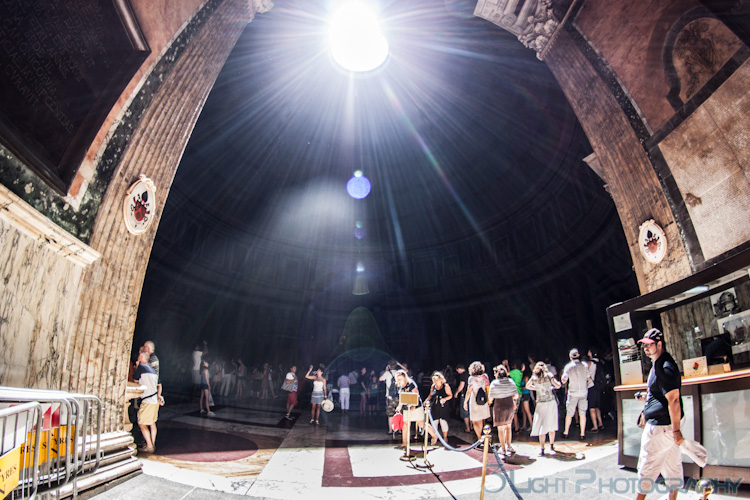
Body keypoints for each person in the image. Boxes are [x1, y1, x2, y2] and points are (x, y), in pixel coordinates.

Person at [635, 328, 684, 500]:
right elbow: (662, 395)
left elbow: (674, 400)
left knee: (647, 467)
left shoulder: (665, 367)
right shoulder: (658, 364)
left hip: (662, 427)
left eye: (650, 345)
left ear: (660, 344)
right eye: (644, 345)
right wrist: (646, 398)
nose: (646, 348)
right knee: (672, 465)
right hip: (664, 426)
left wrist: (676, 431)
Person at [526, 361, 562, 455]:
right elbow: (558, 385)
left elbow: (527, 386)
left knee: (542, 425)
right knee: (551, 423)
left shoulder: (534, 377)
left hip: (540, 403)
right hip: (550, 402)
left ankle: (542, 448)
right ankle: (551, 445)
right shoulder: (549, 375)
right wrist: (552, 387)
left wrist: (536, 388)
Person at [395, 370, 437, 447]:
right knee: (405, 424)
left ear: (404, 378)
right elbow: (402, 397)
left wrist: (413, 405)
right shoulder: (399, 386)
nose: (399, 380)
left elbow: (416, 394)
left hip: (416, 406)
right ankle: (404, 443)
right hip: (406, 407)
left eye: (400, 379)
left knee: (421, 423)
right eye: (398, 379)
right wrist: (399, 406)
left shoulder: (410, 383)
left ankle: (434, 435)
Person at [134, 351, 162, 453]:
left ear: (141, 357)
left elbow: (135, 380)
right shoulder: (153, 371)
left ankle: (149, 446)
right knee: (152, 423)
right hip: (154, 400)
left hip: (147, 401)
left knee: (141, 423)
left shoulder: (141, 367)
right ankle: (152, 444)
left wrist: (137, 366)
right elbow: (159, 385)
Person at [561, 348, 591, 440]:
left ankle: (566, 432)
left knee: (569, 413)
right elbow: (588, 378)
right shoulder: (584, 365)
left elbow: (564, 380)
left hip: (573, 392)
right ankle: (582, 434)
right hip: (583, 391)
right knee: (582, 413)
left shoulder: (568, 367)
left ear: (570, 357)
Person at [488, 364, 518, 455]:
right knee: (508, 426)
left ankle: (503, 448)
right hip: (509, 404)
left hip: (499, 406)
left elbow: (491, 398)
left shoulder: (494, 383)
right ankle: (509, 445)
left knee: (500, 428)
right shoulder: (510, 381)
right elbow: (516, 395)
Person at [463, 361, 490, 441]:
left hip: (474, 400)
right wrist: (489, 399)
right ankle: (481, 435)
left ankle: (479, 437)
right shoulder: (485, 376)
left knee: (475, 420)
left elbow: (469, 391)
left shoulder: (471, 378)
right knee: (481, 419)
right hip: (483, 400)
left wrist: (465, 402)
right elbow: (488, 388)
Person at [426, 371, 453, 444]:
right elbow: (430, 395)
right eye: (434, 380)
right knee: (434, 422)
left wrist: (445, 399)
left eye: (437, 380)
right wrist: (426, 401)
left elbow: (450, 395)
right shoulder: (433, 386)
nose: (435, 382)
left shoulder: (446, 386)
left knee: (443, 422)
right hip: (435, 406)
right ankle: (434, 437)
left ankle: (445, 437)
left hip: (443, 406)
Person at [379, 360, 402, 434]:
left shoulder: (387, 373)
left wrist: (386, 370)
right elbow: (407, 371)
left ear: (389, 366)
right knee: (399, 413)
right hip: (399, 397)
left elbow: (380, 379)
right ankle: (399, 429)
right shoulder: (399, 373)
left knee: (390, 414)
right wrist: (400, 364)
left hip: (390, 397)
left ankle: (390, 430)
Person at [587, 348, 604, 433]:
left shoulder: (590, 363)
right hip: (598, 386)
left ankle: (595, 426)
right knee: (597, 406)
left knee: (591, 407)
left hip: (591, 386)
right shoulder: (599, 362)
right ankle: (600, 423)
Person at [455, 364, 471, 433]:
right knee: (470, 411)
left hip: (464, 394)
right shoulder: (470, 374)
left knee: (465, 412)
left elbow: (462, 385)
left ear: (459, 369)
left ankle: (467, 428)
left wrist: (456, 392)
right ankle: (471, 426)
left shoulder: (462, 375)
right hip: (471, 395)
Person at [508, 360, 523, 432]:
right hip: (519, 391)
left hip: (514, 392)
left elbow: (506, 374)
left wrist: (507, 366)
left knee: (514, 411)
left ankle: (516, 427)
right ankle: (516, 426)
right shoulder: (520, 372)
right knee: (515, 411)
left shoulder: (513, 372)